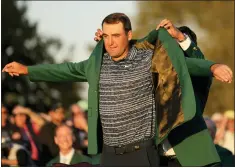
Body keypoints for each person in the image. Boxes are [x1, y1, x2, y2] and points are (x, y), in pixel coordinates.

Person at [2, 13, 233, 166]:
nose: (110, 41)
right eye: (106, 36)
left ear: (129, 35)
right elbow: (65, 69)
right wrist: (28, 70)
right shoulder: (97, 64)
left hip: (156, 151)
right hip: (113, 152)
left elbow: (187, 64)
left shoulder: (149, 58)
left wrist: (213, 66)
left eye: (116, 36)